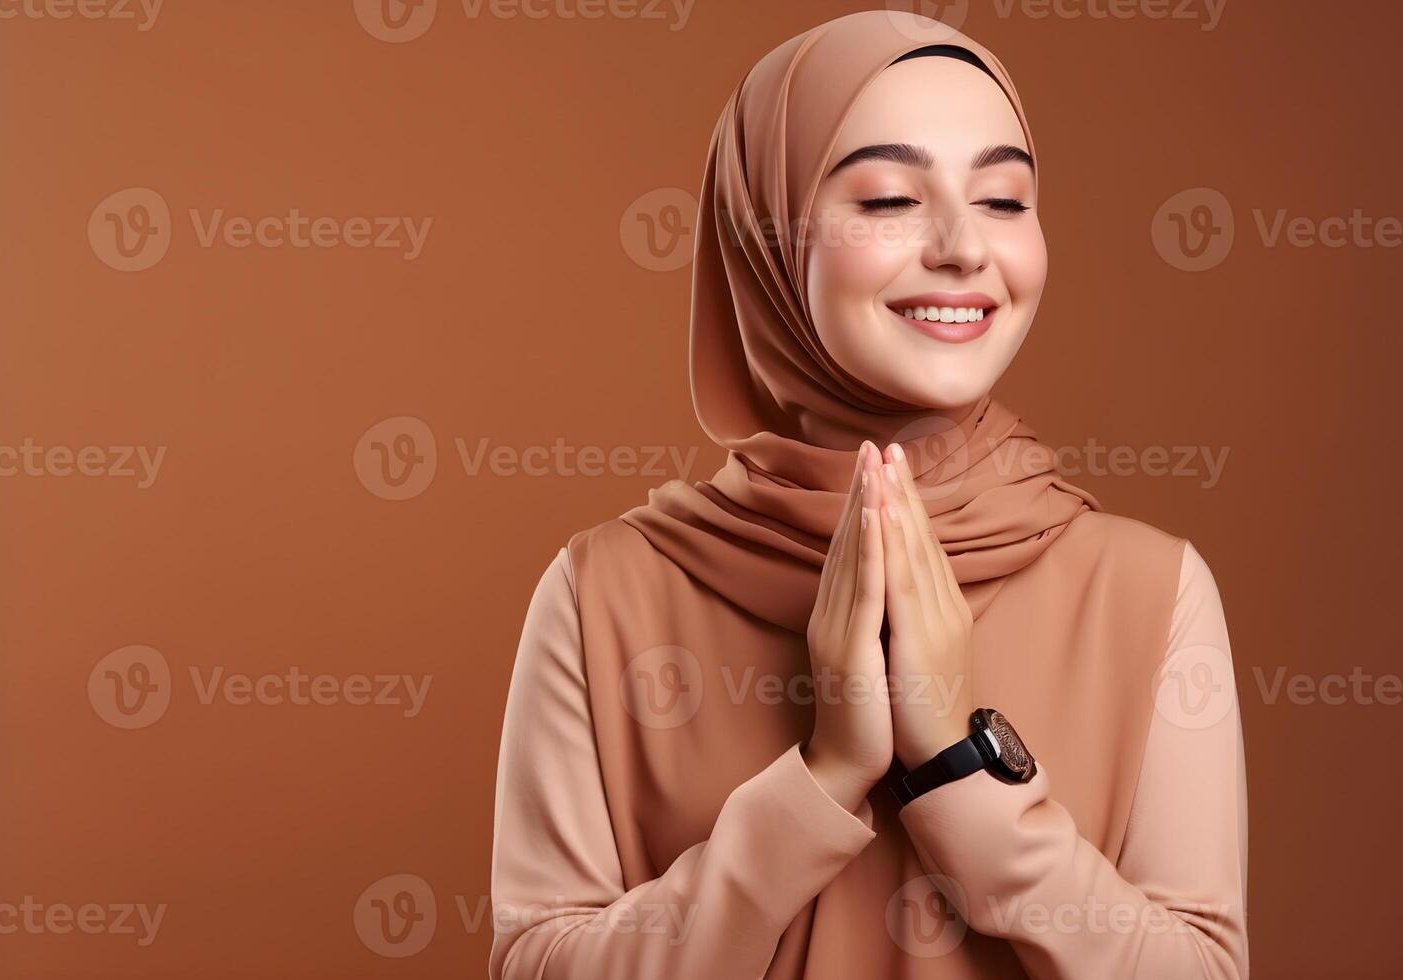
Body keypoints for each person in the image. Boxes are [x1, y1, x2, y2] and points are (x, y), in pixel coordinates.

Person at [489, 11, 1248, 979]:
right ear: (767, 233)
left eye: (1005, 198)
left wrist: (959, 768)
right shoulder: (606, 593)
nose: (963, 248)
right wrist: (823, 776)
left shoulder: (1149, 588)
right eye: (890, 198)